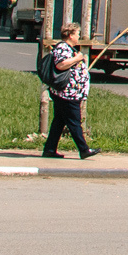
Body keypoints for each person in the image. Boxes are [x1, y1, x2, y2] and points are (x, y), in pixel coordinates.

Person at [41, 23, 99, 161]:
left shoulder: (68, 48)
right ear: (70, 35)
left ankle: (49, 149)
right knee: (74, 121)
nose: (79, 36)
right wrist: (77, 59)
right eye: (77, 33)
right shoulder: (62, 47)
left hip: (69, 93)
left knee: (59, 121)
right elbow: (60, 65)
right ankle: (84, 150)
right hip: (67, 93)